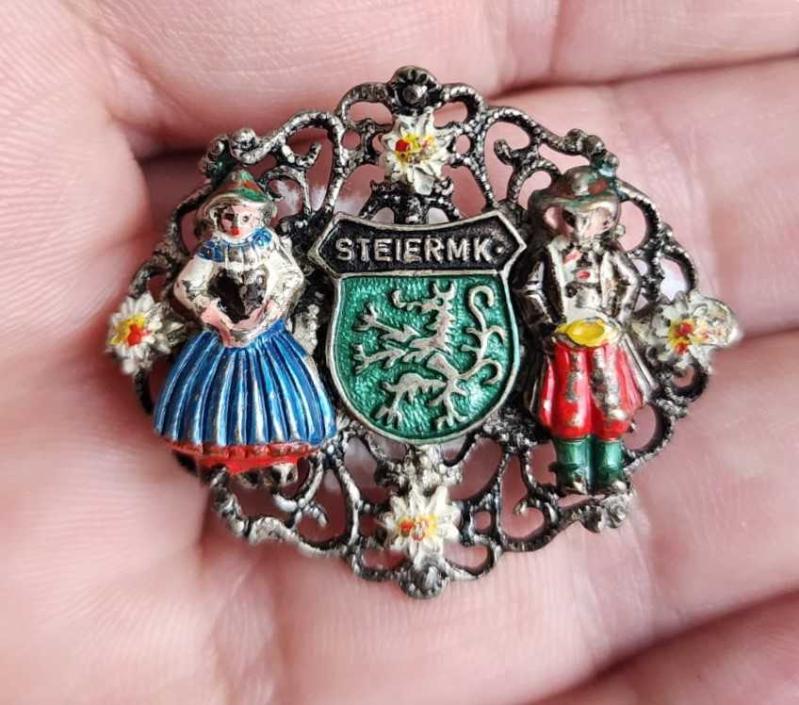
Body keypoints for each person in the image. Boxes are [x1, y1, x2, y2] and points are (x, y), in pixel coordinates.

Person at [153, 169, 336, 483]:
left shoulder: (267, 245)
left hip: (266, 332)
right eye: (229, 217)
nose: (237, 224)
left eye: (245, 218)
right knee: (219, 395)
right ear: (217, 217)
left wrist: (273, 307)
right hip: (221, 335)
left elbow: (291, 277)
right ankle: (221, 454)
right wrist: (214, 315)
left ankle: (279, 452)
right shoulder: (212, 250)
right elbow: (186, 286)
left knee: (279, 392)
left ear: (258, 218)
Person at [519, 166, 655, 493]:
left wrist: (617, 319)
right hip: (565, 342)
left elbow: (630, 281)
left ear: (604, 221)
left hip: (605, 341)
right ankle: (570, 470)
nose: (579, 228)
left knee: (611, 402)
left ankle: (609, 468)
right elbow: (528, 289)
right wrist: (546, 328)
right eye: (571, 219)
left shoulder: (608, 254)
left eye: (587, 219)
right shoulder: (549, 254)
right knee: (569, 404)